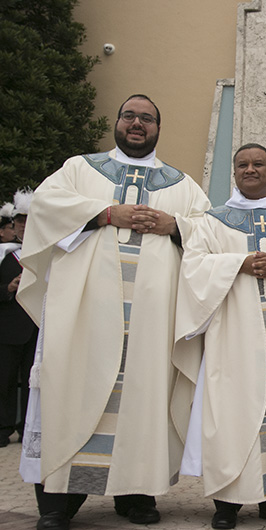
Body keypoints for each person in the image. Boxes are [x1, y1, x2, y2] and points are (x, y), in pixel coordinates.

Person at [16, 94, 211, 530]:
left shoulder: (181, 184)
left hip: (151, 322)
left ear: (158, 128)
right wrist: (104, 213)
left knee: (143, 398)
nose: (137, 124)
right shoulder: (79, 169)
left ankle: (136, 495)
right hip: (83, 316)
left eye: (146, 119)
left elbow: (209, 230)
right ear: (117, 123)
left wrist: (173, 225)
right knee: (68, 389)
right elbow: (46, 207)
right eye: (129, 116)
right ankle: (57, 503)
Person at [172, 143, 266, 529]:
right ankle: (226, 504)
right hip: (231, 339)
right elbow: (194, 267)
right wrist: (239, 263)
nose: (250, 170)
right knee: (230, 413)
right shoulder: (214, 220)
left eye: (258, 164)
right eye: (242, 165)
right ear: (233, 173)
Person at [0, 190, 37, 448]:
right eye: (20, 221)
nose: (24, 226)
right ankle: (3, 429)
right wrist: (8, 288)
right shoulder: (4, 255)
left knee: (33, 383)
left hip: (35, 327)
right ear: (13, 225)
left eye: (28, 221)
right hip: (8, 328)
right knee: (5, 381)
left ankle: (28, 429)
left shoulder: (45, 252)